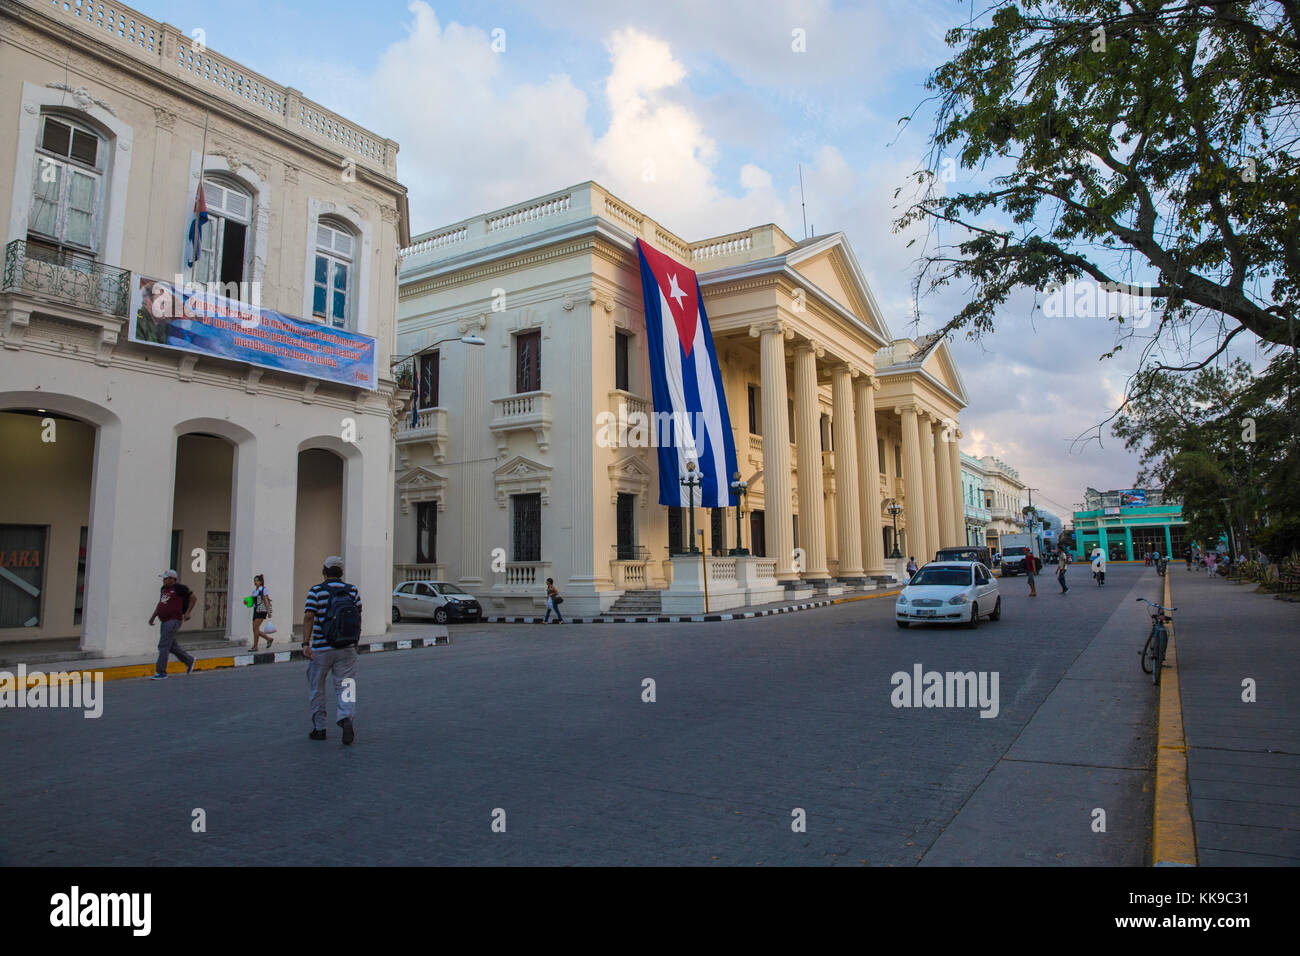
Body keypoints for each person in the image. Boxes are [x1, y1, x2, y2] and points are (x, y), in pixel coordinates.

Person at [302, 555, 361, 744]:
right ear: (342, 573)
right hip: (347, 647)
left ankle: (319, 728)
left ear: (324, 571)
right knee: (347, 685)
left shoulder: (316, 591)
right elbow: (357, 617)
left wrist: (305, 643)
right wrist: (356, 642)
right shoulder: (352, 591)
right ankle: (346, 717)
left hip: (321, 647)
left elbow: (309, 617)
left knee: (317, 687)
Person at [149, 570, 197, 680]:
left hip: (173, 620)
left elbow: (193, 598)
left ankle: (161, 672)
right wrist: (153, 616)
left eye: (166, 578)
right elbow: (161, 603)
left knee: (163, 646)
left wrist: (188, 612)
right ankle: (189, 660)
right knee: (171, 646)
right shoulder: (163, 589)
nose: (164, 580)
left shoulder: (180, 588)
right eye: (164, 578)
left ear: (172, 579)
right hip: (164, 620)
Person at [249, 573, 274, 650]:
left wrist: (268, 611)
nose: (255, 582)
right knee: (255, 629)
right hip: (256, 610)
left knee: (255, 627)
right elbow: (253, 602)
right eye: (255, 581)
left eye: (257, 581)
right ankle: (268, 639)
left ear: (261, 582)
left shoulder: (263, 589)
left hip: (262, 611)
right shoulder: (254, 591)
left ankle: (255, 646)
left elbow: (266, 600)